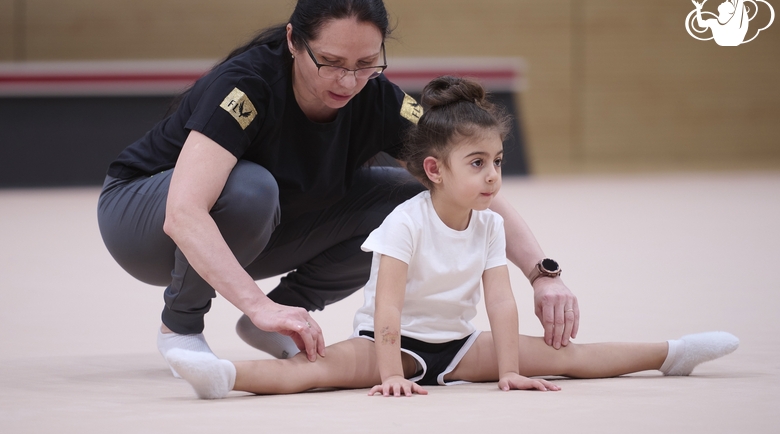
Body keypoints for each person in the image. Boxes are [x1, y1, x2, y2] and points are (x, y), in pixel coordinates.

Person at [97, 0, 579, 375]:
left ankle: (288, 314)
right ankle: (180, 326)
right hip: (142, 221)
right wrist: (255, 303)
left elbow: (469, 183)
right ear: (292, 40)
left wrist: (542, 275)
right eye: (329, 63)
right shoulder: (247, 86)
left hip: (258, 227)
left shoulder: (378, 98)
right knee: (250, 189)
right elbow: (184, 212)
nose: (348, 81)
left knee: (410, 199)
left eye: (366, 64)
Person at [163, 76, 739, 399]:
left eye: (498, 161)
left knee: (573, 358)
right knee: (308, 374)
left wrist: (510, 368)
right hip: (388, 345)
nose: (493, 176)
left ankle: (672, 353)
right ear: (436, 169)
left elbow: (500, 302)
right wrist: (390, 373)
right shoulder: (403, 221)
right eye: (478, 163)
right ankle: (223, 376)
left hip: (460, 349)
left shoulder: (488, 224)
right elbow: (386, 308)